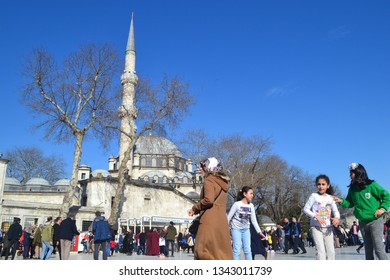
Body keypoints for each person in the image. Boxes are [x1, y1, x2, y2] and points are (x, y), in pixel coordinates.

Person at [333, 163, 390, 260]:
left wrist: (382, 208)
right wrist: (341, 201)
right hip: (362, 222)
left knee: (378, 247)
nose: (350, 176)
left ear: (359, 173)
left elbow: (386, 196)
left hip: (375, 220)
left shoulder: (371, 185)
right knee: (368, 248)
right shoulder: (352, 189)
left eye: (351, 174)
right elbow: (350, 203)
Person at [187, 157, 233, 260]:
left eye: (203, 166)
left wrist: (195, 208)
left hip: (209, 220)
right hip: (221, 221)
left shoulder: (209, 180)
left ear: (209, 168)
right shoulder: (222, 183)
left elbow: (209, 199)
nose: (200, 168)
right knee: (219, 252)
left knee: (202, 250)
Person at [303, 174, 340, 260]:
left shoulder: (330, 198)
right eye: (319, 184)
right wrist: (316, 216)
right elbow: (306, 209)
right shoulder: (314, 196)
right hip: (316, 227)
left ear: (328, 185)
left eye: (323, 184)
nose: (321, 186)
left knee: (331, 252)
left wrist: (337, 218)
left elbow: (335, 211)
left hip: (328, 228)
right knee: (321, 251)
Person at [227, 186, 265, 260]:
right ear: (245, 194)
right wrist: (226, 230)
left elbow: (254, 221)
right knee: (236, 250)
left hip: (246, 230)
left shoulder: (251, 206)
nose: (252, 195)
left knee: (248, 250)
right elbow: (228, 218)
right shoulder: (237, 204)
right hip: (236, 229)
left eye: (252, 194)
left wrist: (260, 232)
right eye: (250, 193)